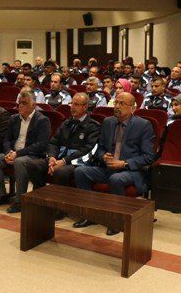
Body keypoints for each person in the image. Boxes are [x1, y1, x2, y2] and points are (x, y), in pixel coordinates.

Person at [74, 92, 155, 235]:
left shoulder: (143, 125)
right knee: (80, 172)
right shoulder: (108, 122)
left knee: (116, 178)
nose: (117, 106)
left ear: (132, 108)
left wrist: (123, 163)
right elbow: (100, 148)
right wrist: (103, 156)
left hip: (129, 171)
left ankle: (118, 220)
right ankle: (89, 215)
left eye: (121, 103)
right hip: (108, 167)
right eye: (116, 103)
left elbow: (148, 157)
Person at [0, 91, 51, 213]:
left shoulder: (42, 120)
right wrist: (8, 152)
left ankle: (20, 201)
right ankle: (0, 195)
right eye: (19, 103)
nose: (20, 105)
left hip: (32, 156)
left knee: (20, 162)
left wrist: (17, 154)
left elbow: (41, 145)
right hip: (13, 153)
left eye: (24, 103)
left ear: (33, 105)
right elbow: (6, 139)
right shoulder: (14, 118)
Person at [29, 92, 100, 189]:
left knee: (59, 172)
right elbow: (53, 143)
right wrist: (52, 157)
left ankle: (60, 198)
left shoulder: (93, 126)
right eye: (71, 104)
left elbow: (87, 150)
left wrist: (64, 161)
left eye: (76, 104)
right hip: (58, 158)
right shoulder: (66, 123)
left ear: (85, 107)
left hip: (76, 162)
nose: (72, 107)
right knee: (33, 165)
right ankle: (41, 193)